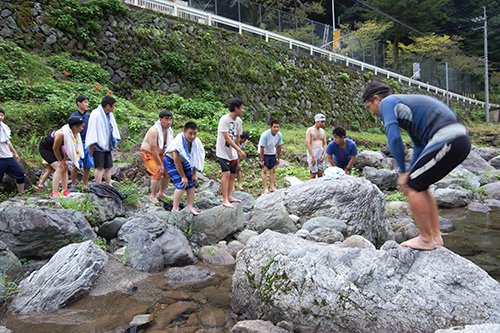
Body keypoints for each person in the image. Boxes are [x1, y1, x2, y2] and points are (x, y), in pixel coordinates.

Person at [363, 81, 471, 250]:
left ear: (376, 99)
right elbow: (420, 145)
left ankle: (425, 239)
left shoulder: (387, 103)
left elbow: (394, 138)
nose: (373, 112)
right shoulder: (408, 112)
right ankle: (435, 236)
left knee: (413, 186)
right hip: (459, 138)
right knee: (420, 185)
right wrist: (409, 172)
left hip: (448, 138)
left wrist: (402, 172)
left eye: (370, 107)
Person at [38, 116, 86, 197]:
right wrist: (60, 161)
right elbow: (55, 148)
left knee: (66, 166)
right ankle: (54, 191)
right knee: (59, 167)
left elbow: (70, 148)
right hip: (46, 149)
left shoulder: (74, 134)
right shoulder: (61, 134)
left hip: (57, 148)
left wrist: (64, 160)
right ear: (74, 127)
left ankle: (64, 190)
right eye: (81, 126)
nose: (82, 129)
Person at [164, 121, 205, 215]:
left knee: (191, 182)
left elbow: (196, 158)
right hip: (171, 161)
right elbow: (176, 162)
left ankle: (189, 206)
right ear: (184, 132)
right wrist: (183, 176)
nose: (193, 136)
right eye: (190, 133)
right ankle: (175, 208)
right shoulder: (178, 142)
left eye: (195, 133)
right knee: (182, 183)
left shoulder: (196, 142)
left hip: (184, 161)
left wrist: (194, 174)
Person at [216, 97, 246, 208]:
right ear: (236, 108)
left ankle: (229, 196)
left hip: (233, 152)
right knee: (226, 174)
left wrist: (238, 150)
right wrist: (239, 149)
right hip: (223, 151)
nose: (243, 110)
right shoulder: (224, 120)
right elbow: (227, 138)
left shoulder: (239, 121)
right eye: (241, 108)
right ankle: (224, 199)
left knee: (233, 174)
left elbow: (238, 137)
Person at [85, 96, 120, 185]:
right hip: (98, 144)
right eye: (113, 106)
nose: (114, 108)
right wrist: (92, 144)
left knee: (108, 167)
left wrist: (114, 140)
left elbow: (113, 128)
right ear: (108, 106)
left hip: (107, 144)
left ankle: (109, 184)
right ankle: (98, 185)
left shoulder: (109, 115)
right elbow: (92, 129)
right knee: (99, 167)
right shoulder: (96, 113)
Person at [141, 110, 174, 202]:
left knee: (168, 171)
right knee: (157, 171)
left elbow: (170, 147)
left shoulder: (170, 131)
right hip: (149, 153)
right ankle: (153, 195)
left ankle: (161, 193)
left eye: (170, 120)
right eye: (166, 120)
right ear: (160, 119)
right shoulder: (154, 131)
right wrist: (159, 164)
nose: (169, 122)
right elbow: (153, 149)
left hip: (161, 154)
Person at [68, 95, 94, 191]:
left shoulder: (89, 117)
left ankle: (85, 185)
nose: (87, 104)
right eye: (85, 102)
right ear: (79, 103)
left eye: (87, 102)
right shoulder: (73, 116)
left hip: (88, 142)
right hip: (77, 142)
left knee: (88, 165)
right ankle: (73, 184)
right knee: (76, 164)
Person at [0, 107, 25, 195]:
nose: (0, 117)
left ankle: (21, 194)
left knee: (20, 175)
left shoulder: (4, 127)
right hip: (0, 158)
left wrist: (15, 153)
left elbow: (8, 141)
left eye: (2, 115)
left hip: (8, 157)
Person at [258, 120, 283, 194]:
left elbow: (279, 147)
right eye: (274, 127)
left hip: (272, 152)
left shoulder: (279, 135)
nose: (276, 129)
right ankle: (265, 188)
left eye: (277, 127)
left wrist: (278, 158)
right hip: (264, 152)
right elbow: (262, 147)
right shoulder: (265, 135)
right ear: (270, 127)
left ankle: (272, 187)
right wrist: (261, 159)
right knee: (264, 170)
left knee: (273, 170)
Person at [306, 113, 327, 178]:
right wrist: (312, 156)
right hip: (313, 151)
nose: (323, 123)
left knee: (321, 172)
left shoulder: (322, 131)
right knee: (313, 173)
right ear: (317, 121)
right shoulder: (310, 130)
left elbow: (325, 143)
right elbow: (308, 143)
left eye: (323, 122)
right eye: (321, 122)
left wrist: (323, 155)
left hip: (320, 151)